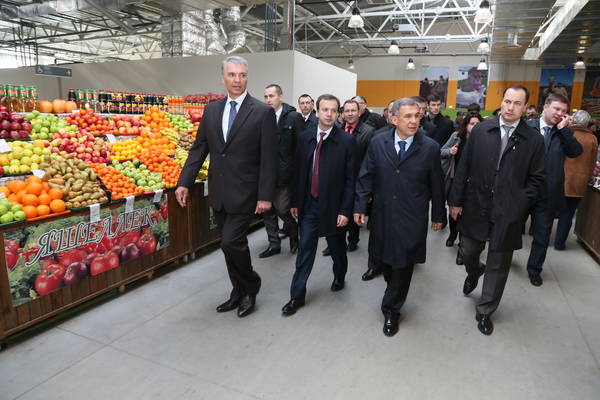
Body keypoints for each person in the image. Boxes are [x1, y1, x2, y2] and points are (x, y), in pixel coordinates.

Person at [175, 56, 278, 318]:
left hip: (246, 192)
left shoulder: (262, 112)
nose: (237, 80)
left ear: (247, 77)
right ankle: (238, 291)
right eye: (232, 75)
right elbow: (199, 148)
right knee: (229, 244)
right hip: (219, 192)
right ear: (223, 78)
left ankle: (251, 286)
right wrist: (184, 182)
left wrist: (265, 196)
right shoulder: (211, 110)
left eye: (242, 75)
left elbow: (269, 158)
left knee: (231, 243)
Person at [448, 84, 545, 335]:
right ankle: (474, 271)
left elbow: (537, 179)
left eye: (517, 103)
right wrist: (456, 201)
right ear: (501, 102)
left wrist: (520, 203)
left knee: (499, 263)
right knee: (468, 251)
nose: (510, 107)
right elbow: (464, 167)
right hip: (476, 204)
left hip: (508, 211)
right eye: (507, 101)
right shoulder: (481, 130)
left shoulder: (534, 140)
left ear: (525, 107)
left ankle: (485, 310)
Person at [354, 97, 446, 337]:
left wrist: (439, 214)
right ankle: (392, 289)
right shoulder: (378, 142)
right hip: (383, 214)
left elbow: (437, 185)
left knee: (403, 265)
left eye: (417, 116)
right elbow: (366, 175)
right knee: (385, 261)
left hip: (412, 216)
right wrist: (359, 206)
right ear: (393, 119)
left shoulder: (430, 148)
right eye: (408, 116)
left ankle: (391, 309)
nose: (414, 121)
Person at [282, 94, 356, 316]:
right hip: (310, 205)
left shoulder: (346, 141)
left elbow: (351, 180)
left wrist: (345, 211)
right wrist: (295, 202)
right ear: (317, 112)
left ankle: (340, 275)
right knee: (305, 250)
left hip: (334, 207)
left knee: (337, 249)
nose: (329, 114)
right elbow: (298, 174)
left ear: (338, 113)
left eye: (333, 110)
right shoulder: (304, 138)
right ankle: (296, 296)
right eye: (325, 109)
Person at [525, 93, 582, 286]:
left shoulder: (563, 133)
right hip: (524, 190)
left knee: (542, 236)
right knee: (510, 229)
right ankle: (503, 262)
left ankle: (534, 270)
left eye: (564, 111)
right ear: (546, 106)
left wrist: (564, 130)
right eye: (557, 109)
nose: (560, 113)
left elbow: (575, 152)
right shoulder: (528, 127)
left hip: (548, 194)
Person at [258, 84, 304, 258]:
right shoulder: (262, 116)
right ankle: (274, 244)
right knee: (267, 211)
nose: (268, 100)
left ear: (280, 97)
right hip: (264, 173)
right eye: (266, 96)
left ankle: (293, 235)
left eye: (271, 96)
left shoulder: (293, 117)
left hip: (285, 174)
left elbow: (302, 146)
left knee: (283, 209)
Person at [361, 98, 396, 281]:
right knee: (377, 233)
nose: (392, 114)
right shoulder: (377, 136)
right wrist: (368, 193)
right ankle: (374, 266)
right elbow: (369, 167)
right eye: (389, 111)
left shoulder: (416, 137)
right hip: (380, 194)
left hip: (402, 197)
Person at [440, 112, 482, 261]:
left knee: (467, 215)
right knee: (453, 211)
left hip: (473, 184)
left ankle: (462, 246)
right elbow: (441, 150)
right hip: (455, 181)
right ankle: (452, 234)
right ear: (466, 125)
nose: (474, 127)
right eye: (472, 124)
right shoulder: (457, 137)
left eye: (477, 124)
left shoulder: (484, 139)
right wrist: (450, 151)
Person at [555, 110, 598, 249]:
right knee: (568, 213)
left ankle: (540, 236)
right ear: (587, 123)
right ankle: (559, 243)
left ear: (573, 120)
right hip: (578, 182)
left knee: (549, 209)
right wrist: (589, 177)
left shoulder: (565, 133)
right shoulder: (592, 139)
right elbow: (592, 163)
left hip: (560, 177)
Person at [336, 99, 375, 251]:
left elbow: (370, 162)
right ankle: (336, 241)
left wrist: (369, 190)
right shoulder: (337, 129)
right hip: (339, 180)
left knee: (354, 211)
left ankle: (353, 240)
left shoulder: (369, 132)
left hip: (359, 179)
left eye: (353, 110)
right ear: (343, 113)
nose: (350, 113)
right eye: (347, 111)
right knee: (337, 210)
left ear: (359, 112)